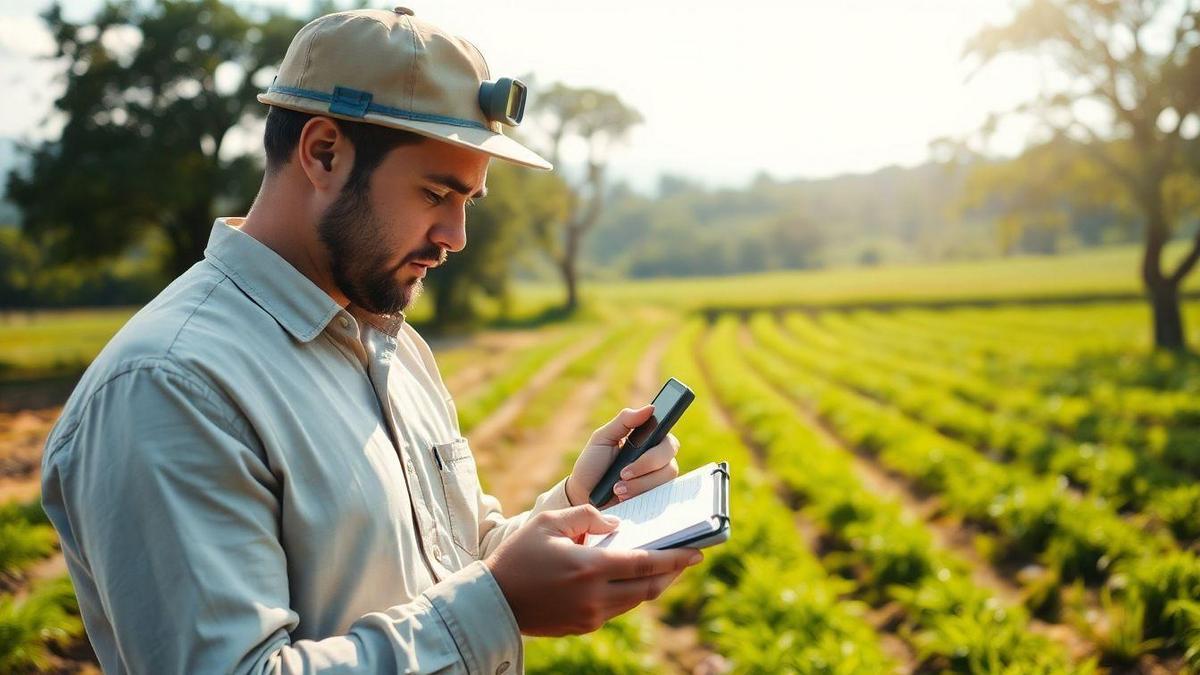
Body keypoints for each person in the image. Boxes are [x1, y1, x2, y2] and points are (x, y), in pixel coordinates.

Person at [39, 8, 701, 674]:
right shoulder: (170, 385)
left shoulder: (391, 344)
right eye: (436, 192)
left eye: (468, 200)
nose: (455, 236)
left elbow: (448, 570)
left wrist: (574, 509)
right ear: (323, 153)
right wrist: (500, 602)